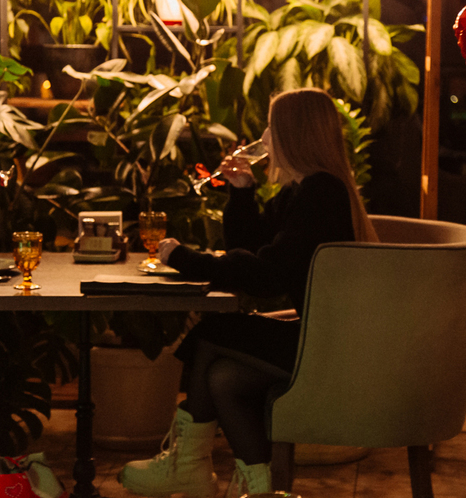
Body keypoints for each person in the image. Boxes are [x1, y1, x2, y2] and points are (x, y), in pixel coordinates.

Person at [120, 87, 378, 498]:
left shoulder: (321, 193)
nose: (264, 137)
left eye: (271, 127)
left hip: (330, 347)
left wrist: (184, 258)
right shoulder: (306, 190)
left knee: (213, 330)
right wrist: (241, 191)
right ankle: (257, 489)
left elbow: (265, 276)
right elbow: (253, 249)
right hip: (324, 338)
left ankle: (187, 466)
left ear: (293, 134)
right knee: (224, 378)